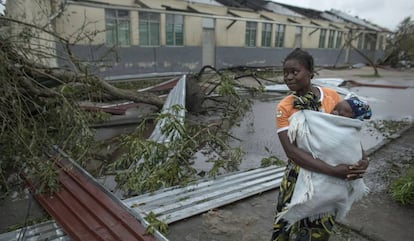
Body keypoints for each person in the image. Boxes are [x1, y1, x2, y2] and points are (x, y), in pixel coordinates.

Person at [271, 48, 369, 241]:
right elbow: (292, 152)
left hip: (332, 177)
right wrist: (334, 171)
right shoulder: (284, 107)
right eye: (285, 73)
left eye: (294, 72)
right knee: (287, 224)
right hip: (299, 174)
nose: (288, 77)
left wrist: (363, 159)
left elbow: (348, 133)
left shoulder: (331, 97)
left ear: (310, 72)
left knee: (319, 227)